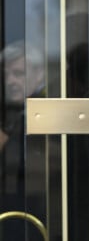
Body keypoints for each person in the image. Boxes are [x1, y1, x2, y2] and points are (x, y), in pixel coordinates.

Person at [1, 40, 45, 241]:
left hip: (41, 208)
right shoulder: (8, 113)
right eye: (6, 74)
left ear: (39, 75)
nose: (10, 81)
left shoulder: (46, 112)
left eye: (19, 74)